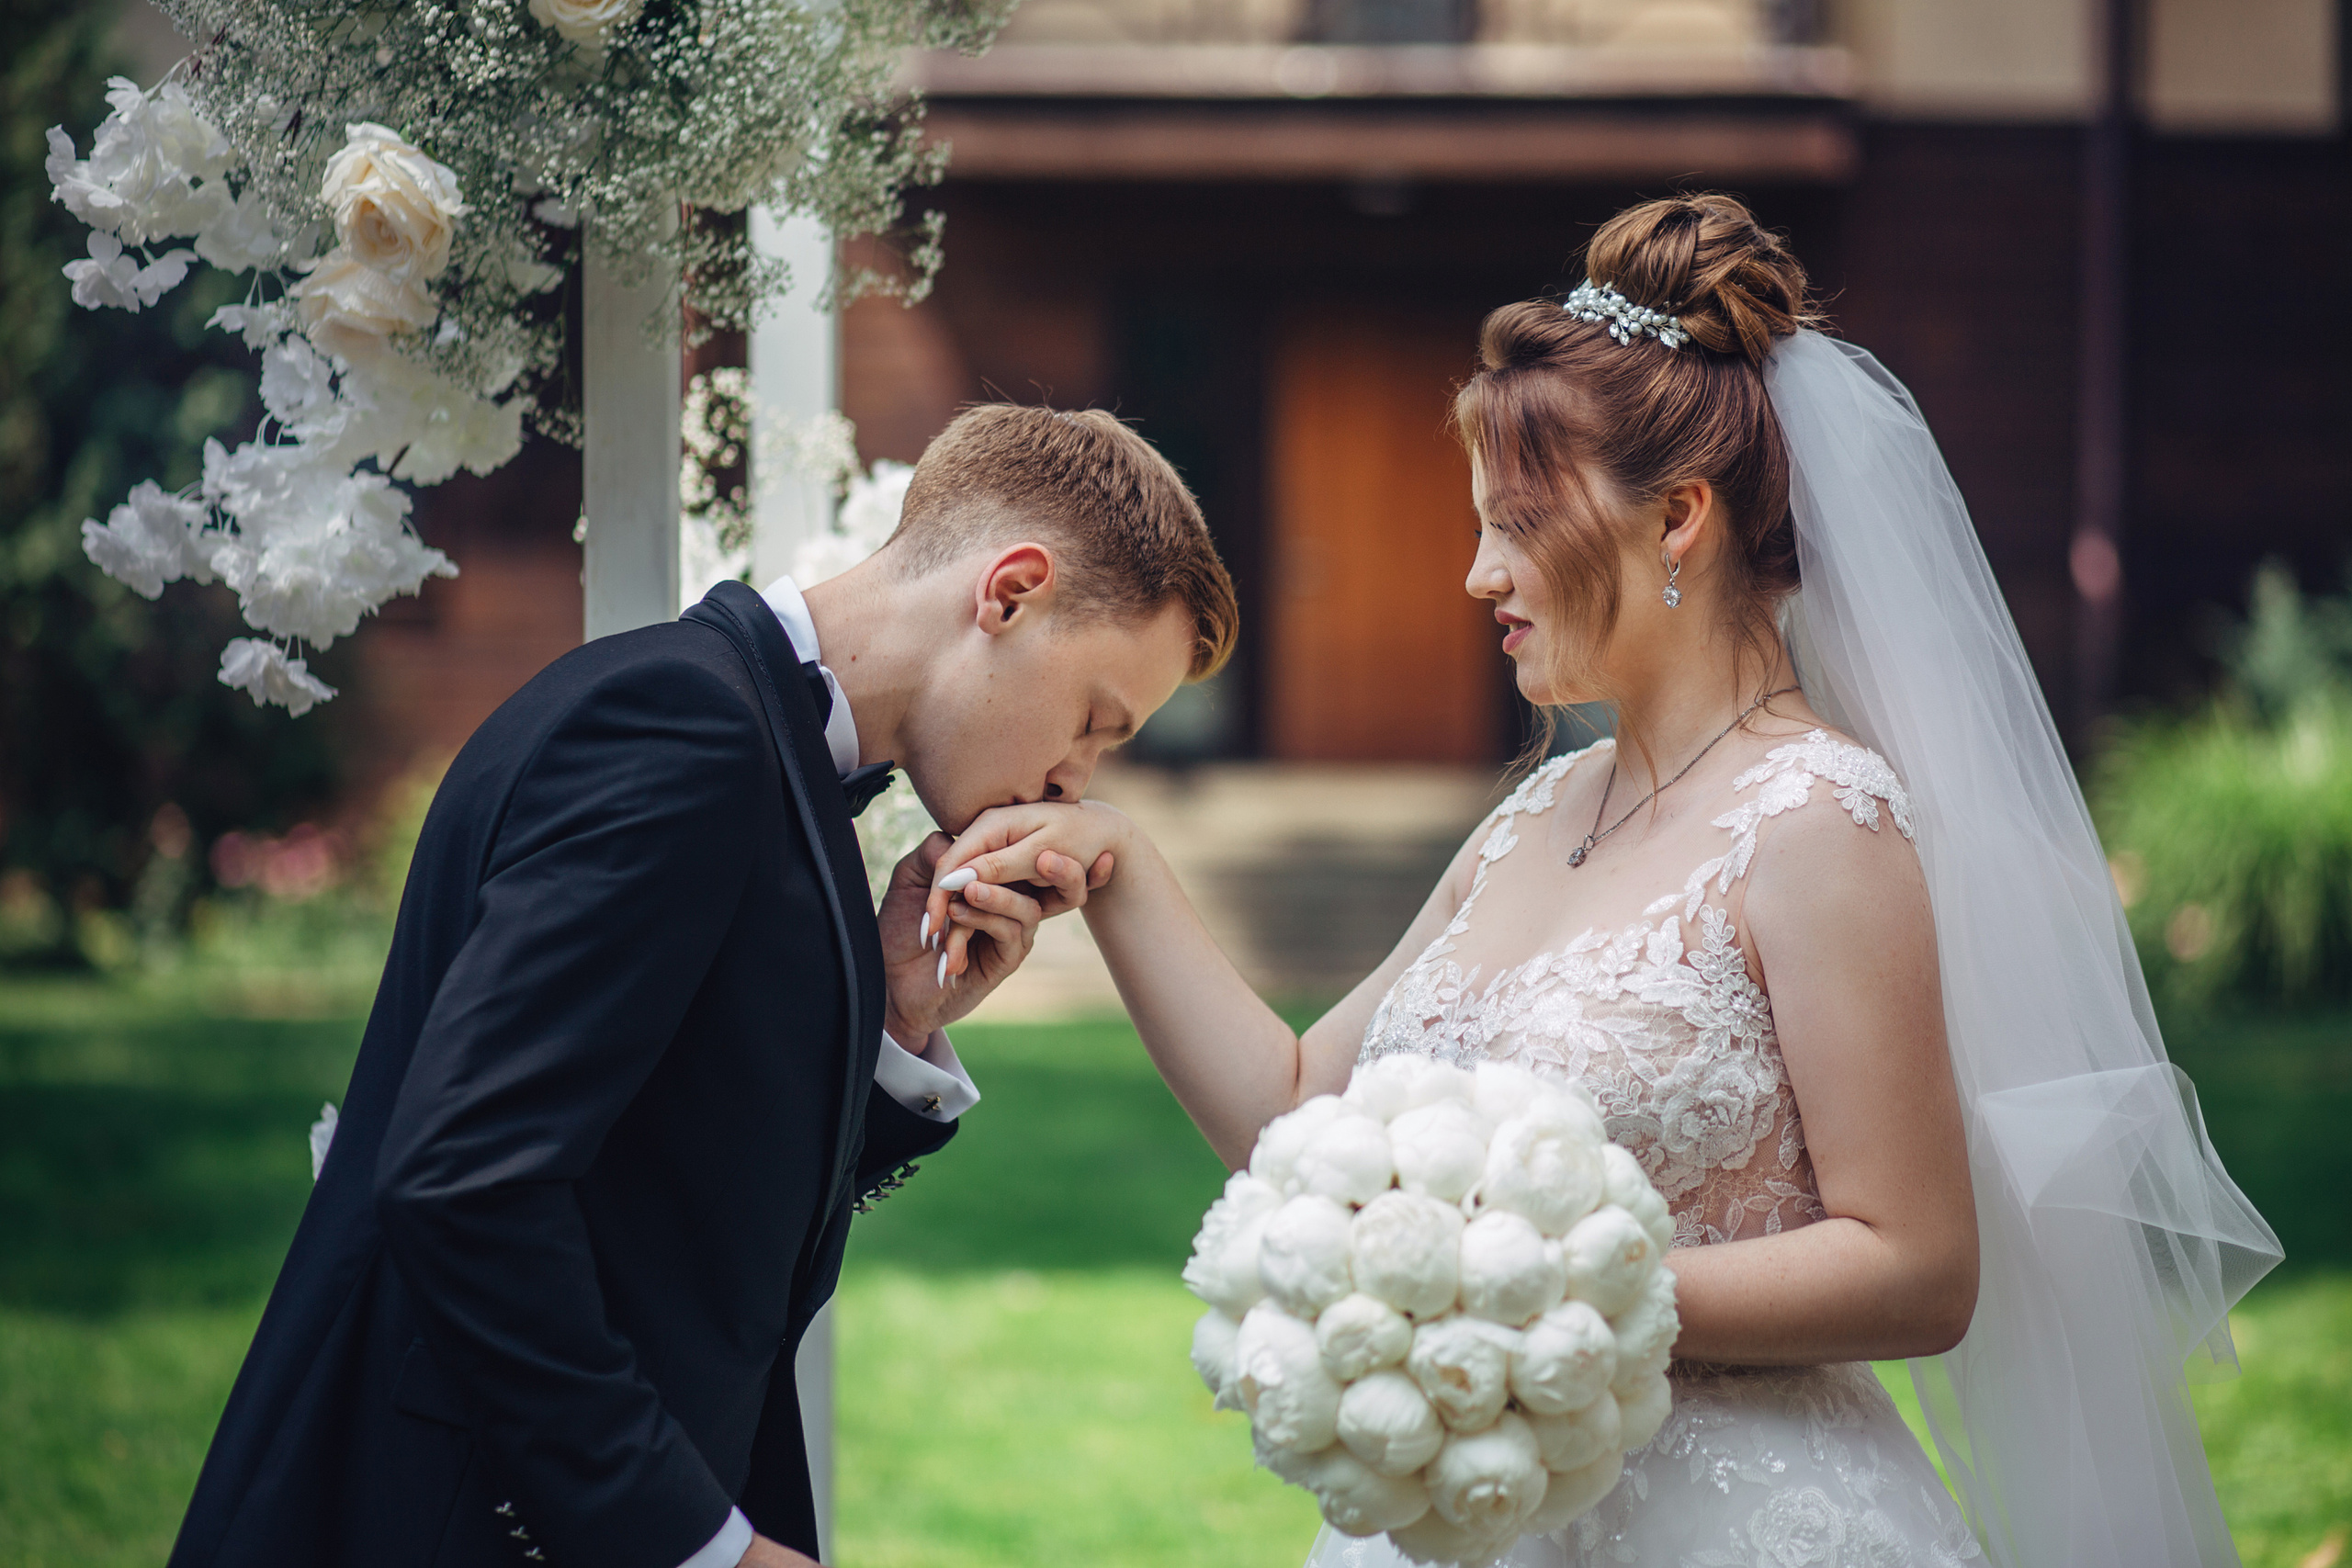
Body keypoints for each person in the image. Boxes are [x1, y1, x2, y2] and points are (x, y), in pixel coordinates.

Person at [926, 197, 2281, 1566]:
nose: (1476, 574)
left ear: (1677, 518)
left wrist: (1542, 1296)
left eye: (1513, 523)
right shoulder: (1532, 814)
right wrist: (1123, 870)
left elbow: (1918, 1263)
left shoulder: (1819, 821)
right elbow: (1293, 1108)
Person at [166, 405, 1238, 1568]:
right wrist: (697, 1546)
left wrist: (890, 1020)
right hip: (443, 1514)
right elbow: (465, 1175)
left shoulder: (761, 745)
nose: (1076, 777)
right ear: (1010, 592)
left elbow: (672, 1174)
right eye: (1095, 721)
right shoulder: (680, 726)